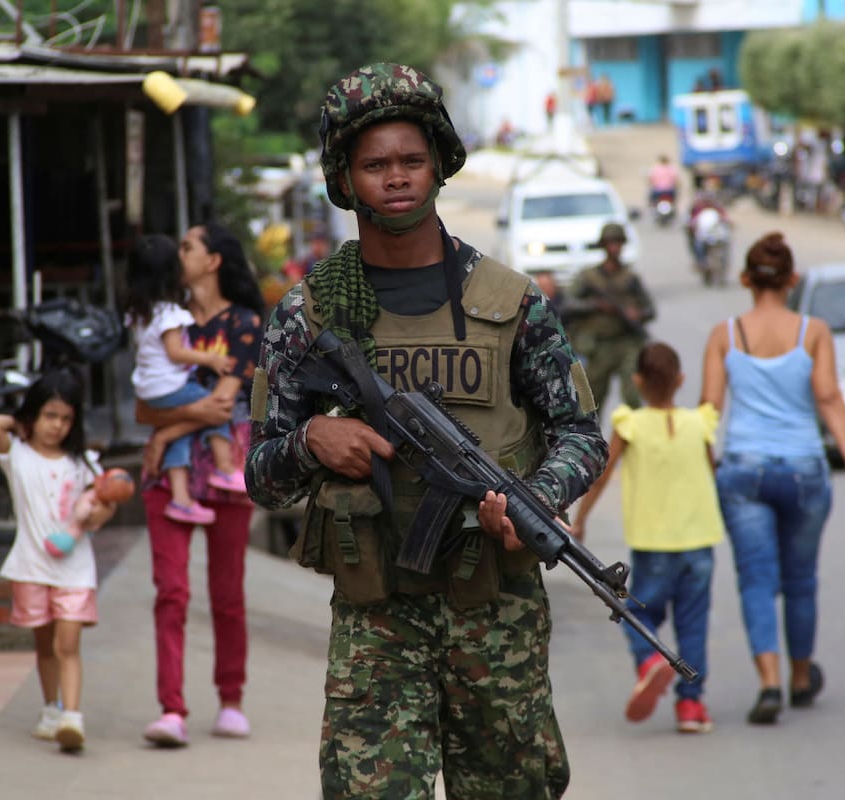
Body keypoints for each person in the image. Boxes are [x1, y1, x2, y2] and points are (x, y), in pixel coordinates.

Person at [245, 62, 607, 799]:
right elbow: (259, 474)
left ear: (440, 166)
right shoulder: (311, 313)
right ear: (344, 180)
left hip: (495, 618)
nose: (397, 178)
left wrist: (534, 500)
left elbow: (581, 432)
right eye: (375, 164)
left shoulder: (509, 300)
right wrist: (312, 441)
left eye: (412, 160)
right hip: (377, 623)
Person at [700, 232, 845, 726]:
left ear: (745, 280)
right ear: (793, 280)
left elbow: (710, 410)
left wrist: (708, 464)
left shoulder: (726, 334)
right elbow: (830, 398)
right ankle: (801, 678)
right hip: (804, 469)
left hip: (744, 469)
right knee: (800, 580)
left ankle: (769, 684)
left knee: (755, 580)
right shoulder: (812, 331)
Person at [133, 222, 265, 747]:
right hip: (169, 476)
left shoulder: (247, 323)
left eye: (187, 245)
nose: (176, 251)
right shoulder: (164, 320)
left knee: (227, 595)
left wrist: (166, 435)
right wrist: (162, 432)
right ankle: (172, 709)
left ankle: (230, 699)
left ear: (212, 261)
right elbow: (142, 404)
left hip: (226, 469)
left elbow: (219, 405)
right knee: (171, 591)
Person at [571, 342, 724, 733]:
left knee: (635, 612)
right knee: (693, 624)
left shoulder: (630, 422)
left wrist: (582, 517)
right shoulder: (700, 422)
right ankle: (691, 706)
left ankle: (650, 661)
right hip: (699, 543)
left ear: (636, 382)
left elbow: (603, 474)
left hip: (654, 544)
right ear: (681, 381)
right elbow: (712, 473)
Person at [0, 368, 118, 752]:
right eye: (49, 416)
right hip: (29, 567)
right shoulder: (17, 456)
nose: (57, 426)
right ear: (33, 416)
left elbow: (104, 505)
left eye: (66, 419)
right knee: (44, 646)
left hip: (74, 570)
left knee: (67, 644)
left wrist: (97, 515)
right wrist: (20, 422)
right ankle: (51, 709)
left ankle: (72, 716)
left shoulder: (84, 463)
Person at [122, 234, 245, 527]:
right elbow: (176, 352)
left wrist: (164, 433)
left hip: (149, 388)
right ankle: (225, 468)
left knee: (180, 434)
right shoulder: (169, 313)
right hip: (170, 385)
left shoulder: (139, 312)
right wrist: (211, 360)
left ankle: (181, 500)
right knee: (215, 409)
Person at [560, 222, 655, 410]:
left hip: (626, 342)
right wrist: (595, 305)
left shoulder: (630, 278)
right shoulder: (589, 277)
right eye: (611, 243)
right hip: (598, 345)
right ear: (603, 245)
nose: (615, 248)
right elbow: (567, 304)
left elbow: (650, 310)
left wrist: (637, 314)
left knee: (632, 395)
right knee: (592, 401)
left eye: (618, 243)